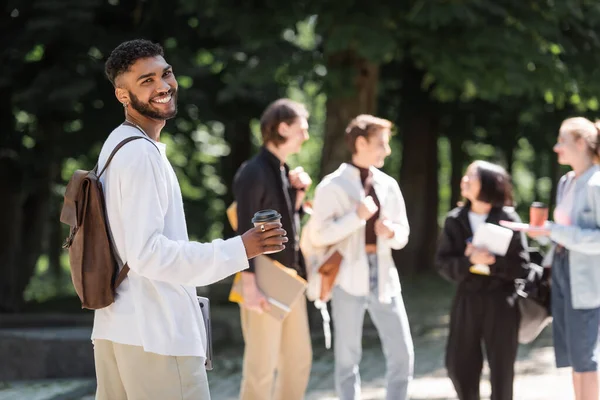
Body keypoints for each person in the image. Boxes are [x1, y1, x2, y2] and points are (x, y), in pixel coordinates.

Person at [93, 39, 287, 400]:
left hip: (120, 329)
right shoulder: (139, 154)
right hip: (156, 335)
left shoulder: (118, 145)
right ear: (122, 95)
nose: (163, 86)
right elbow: (147, 254)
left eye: (165, 74)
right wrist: (239, 249)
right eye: (146, 81)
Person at [308, 114, 413, 400]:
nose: (387, 150)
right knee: (346, 360)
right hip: (346, 280)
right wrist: (357, 217)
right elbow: (318, 235)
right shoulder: (332, 186)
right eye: (381, 143)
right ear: (361, 142)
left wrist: (391, 232)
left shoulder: (389, 185)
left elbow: (403, 234)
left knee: (402, 354)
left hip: (385, 279)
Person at [233, 98, 313, 400]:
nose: (305, 136)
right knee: (261, 366)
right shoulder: (253, 171)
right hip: (261, 274)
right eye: (301, 129)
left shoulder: (281, 170)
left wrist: (298, 194)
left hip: (288, 275)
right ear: (283, 128)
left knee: (298, 361)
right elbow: (244, 229)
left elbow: (284, 226)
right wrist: (250, 284)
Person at [435, 160, 529, 400]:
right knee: (458, 365)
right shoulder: (455, 220)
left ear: (487, 184)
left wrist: (491, 263)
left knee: (502, 370)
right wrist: (469, 261)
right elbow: (443, 264)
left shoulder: (508, 217)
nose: (464, 181)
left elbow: (522, 266)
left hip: (502, 301)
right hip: (467, 300)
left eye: (470, 178)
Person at [528, 117, 600, 400]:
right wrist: (542, 233)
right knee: (571, 353)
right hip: (559, 269)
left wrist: (556, 231)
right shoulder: (566, 181)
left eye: (563, 141)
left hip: (585, 279)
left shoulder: (597, 183)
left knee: (586, 355)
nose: (557, 148)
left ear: (580, 143)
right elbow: (562, 232)